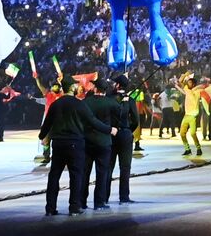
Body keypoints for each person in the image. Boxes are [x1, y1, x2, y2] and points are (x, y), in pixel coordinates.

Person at [38, 81, 113, 216]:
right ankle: (74, 207)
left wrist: (42, 135)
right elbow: (92, 121)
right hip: (75, 144)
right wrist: (109, 130)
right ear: (72, 88)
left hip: (58, 144)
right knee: (76, 176)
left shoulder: (56, 104)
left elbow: (47, 123)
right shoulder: (79, 104)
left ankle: (50, 208)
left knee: (54, 176)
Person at [82, 79, 118, 210]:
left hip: (87, 141)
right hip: (104, 142)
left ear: (95, 89)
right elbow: (118, 117)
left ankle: (82, 201)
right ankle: (99, 202)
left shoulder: (86, 102)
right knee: (102, 173)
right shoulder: (111, 103)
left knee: (84, 173)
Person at [107, 75, 139, 204]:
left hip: (111, 134)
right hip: (125, 135)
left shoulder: (109, 98)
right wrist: (127, 131)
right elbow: (136, 121)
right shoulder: (130, 100)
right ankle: (124, 197)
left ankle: (104, 197)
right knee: (125, 168)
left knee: (108, 167)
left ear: (118, 85)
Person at [176, 73, 206, 156]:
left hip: (193, 116)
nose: (187, 84)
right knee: (182, 133)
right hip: (186, 115)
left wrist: (195, 88)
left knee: (193, 133)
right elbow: (180, 81)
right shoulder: (186, 89)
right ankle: (187, 149)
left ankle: (198, 148)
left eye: (189, 83)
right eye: (188, 82)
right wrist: (185, 74)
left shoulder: (197, 91)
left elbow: (203, 86)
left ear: (193, 84)